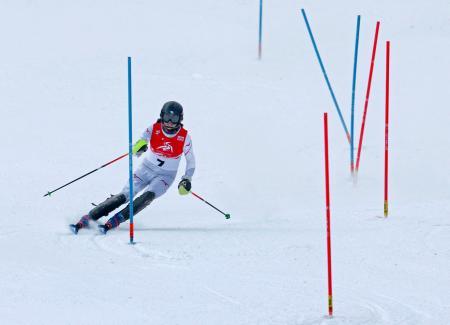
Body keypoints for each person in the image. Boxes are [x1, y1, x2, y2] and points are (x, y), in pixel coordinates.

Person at [70, 101, 195, 234]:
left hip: (166, 176)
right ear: (162, 116)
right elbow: (137, 147)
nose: (170, 122)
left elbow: (191, 161)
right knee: (125, 195)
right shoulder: (153, 129)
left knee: (147, 196)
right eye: (167, 118)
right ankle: (89, 218)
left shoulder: (184, 137)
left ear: (180, 119)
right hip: (146, 169)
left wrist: (187, 178)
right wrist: (139, 147)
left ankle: (116, 220)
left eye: (174, 118)